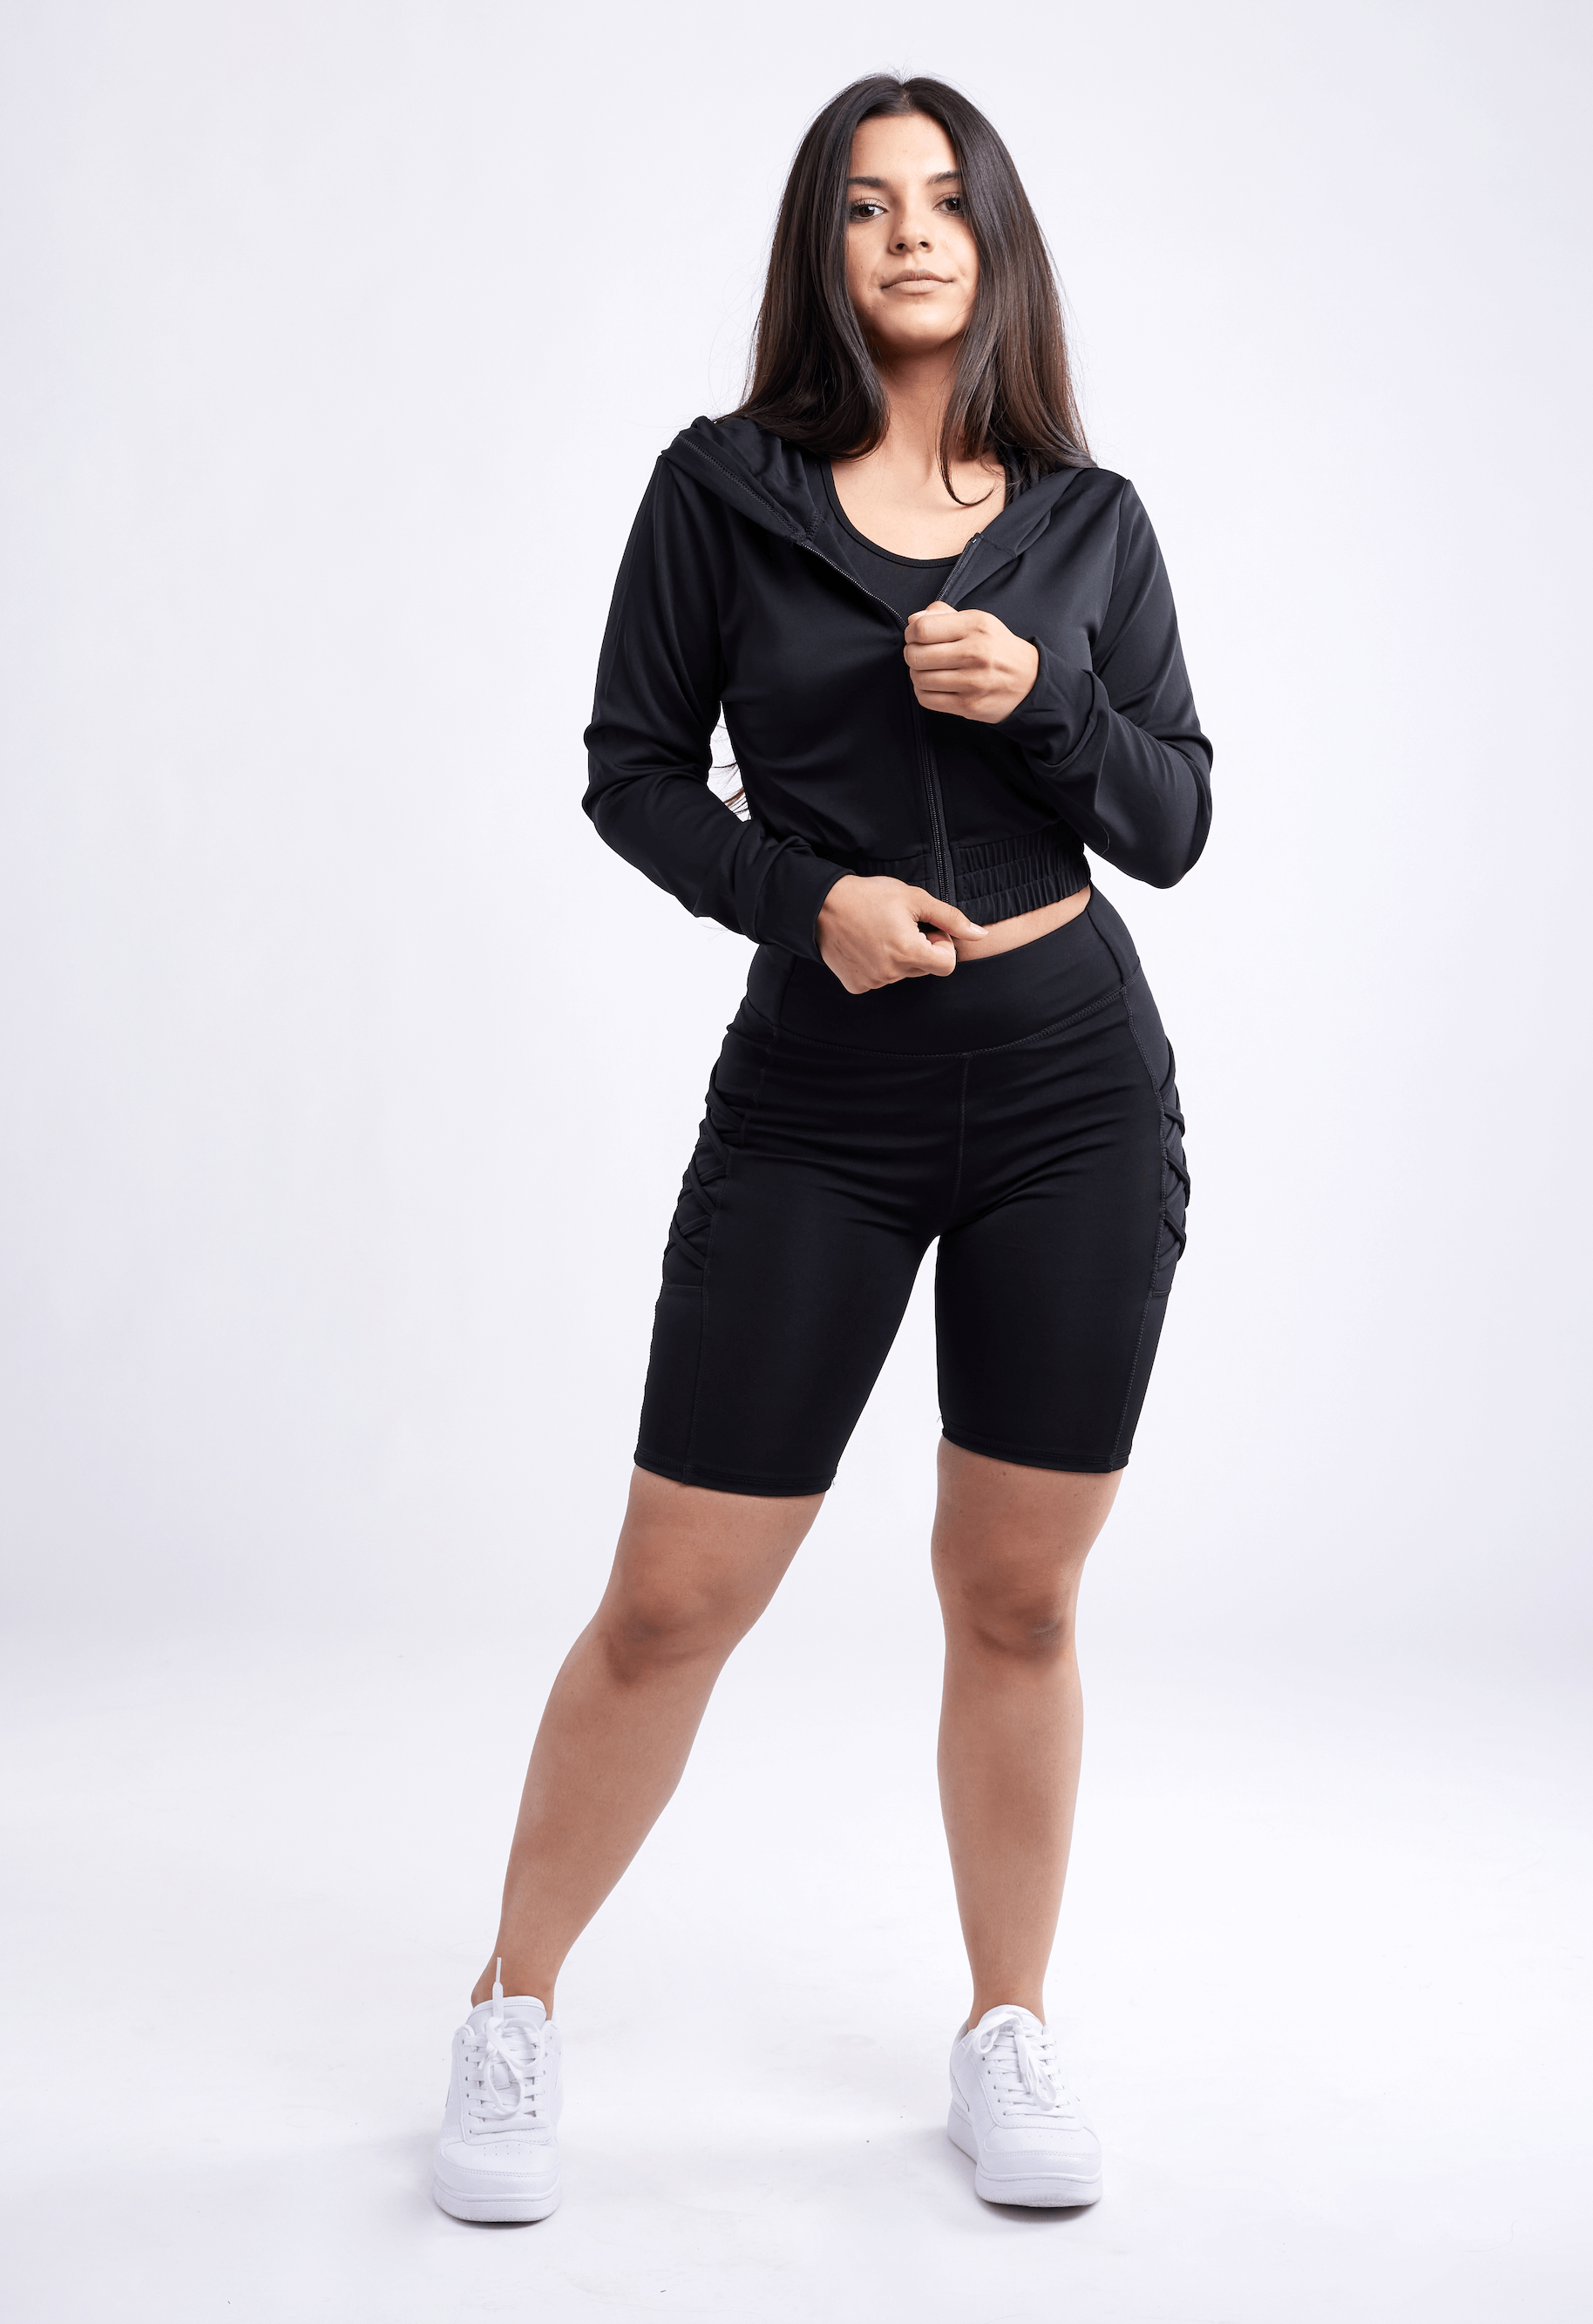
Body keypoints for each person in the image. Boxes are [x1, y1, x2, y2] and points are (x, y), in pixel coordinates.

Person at [432, 71, 1211, 2224]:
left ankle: (1005, 2023)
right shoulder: (720, 490)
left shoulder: (1090, 521)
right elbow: (630, 770)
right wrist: (811, 901)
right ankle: (511, 1997)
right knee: (674, 1595)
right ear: (824, 246)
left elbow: (1173, 817)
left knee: (1018, 1595)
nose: (910, 234)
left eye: (945, 199)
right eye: (867, 205)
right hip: (821, 1101)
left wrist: (1040, 697)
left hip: (1071, 1090)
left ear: (997, 238)